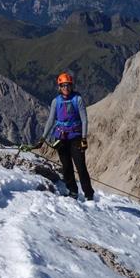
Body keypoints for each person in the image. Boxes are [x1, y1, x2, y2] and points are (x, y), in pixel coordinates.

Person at [33, 72, 94, 201]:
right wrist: (43, 138)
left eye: (68, 85)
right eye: (63, 85)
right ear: (59, 87)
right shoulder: (56, 101)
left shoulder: (78, 99)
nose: (66, 88)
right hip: (60, 137)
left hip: (76, 137)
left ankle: (89, 195)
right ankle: (73, 192)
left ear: (71, 86)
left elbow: (84, 120)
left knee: (81, 166)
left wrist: (84, 138)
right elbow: (50, 120)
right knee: (66, 167)